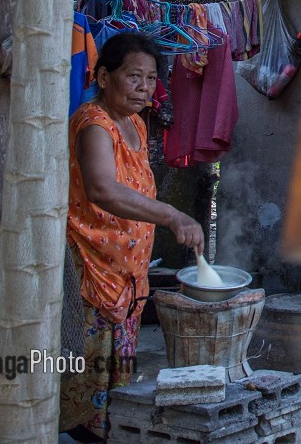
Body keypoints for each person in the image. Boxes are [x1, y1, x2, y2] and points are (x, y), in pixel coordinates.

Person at [60, 31, 204, 442]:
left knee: (112, 386)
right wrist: (172, 215)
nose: (144, 87)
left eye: (151, 78)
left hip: (126, 277)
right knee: (80, 380)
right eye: (133, 76)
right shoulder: (94, 125)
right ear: (104, 77)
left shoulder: (136, 124)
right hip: (91, 270)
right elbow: (102, 188)